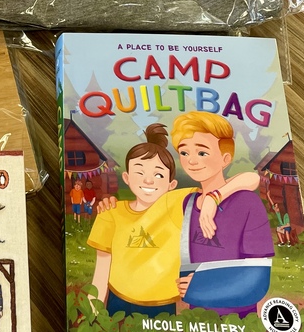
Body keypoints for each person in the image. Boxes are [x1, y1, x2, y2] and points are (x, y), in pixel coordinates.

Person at [90, 124, 260, 317]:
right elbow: (100, 273)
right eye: (139, 172)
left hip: (163, 307)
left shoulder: (180, 202)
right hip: (118, 300)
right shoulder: (111, 212)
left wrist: (213, 198)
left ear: (171, 184)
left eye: (158, 174)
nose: (148, 181)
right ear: (127, 177)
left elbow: (251, 179)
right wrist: (92, 316)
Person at [172, 112, 274, 317]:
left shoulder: (247, 202)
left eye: (202, 153)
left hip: (238, 320)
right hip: (197, 317)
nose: (191, 161)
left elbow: (256, 280)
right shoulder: (188, 203)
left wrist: (201, 287)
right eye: (184, 152)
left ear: (225, 159)